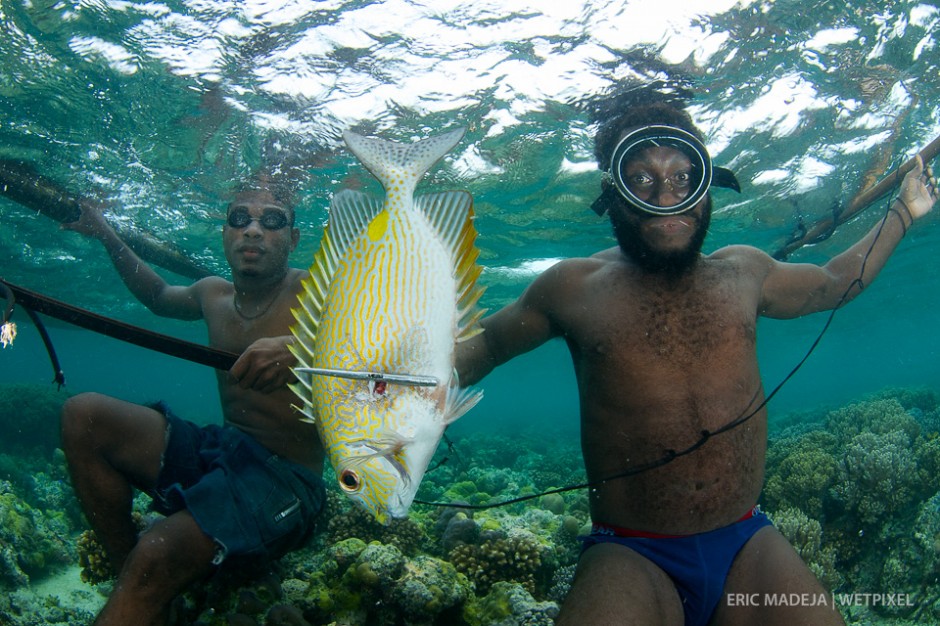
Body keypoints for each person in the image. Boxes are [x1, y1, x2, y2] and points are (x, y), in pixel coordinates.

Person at [456, 102, 938, 626]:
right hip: (631, 554)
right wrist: (375, 384)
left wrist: (904, 211)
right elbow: (478, 353)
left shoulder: (745, 273)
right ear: (613, 190)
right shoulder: (572, 288)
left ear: (708, 183)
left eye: (684, 176)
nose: (667, 197)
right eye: (641, 177)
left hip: (746, 544)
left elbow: (832, 281)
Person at [59, 179, 325, 626]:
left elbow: (389, 340)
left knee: (158, 550)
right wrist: (107, 233)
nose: (253, 230)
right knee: (82, 414)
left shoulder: (319, 293)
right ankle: (143, 590)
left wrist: (304, 348)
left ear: (293, 238)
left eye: (272, 221)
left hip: (289, 481)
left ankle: (146, 584)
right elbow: (159, 297)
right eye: (240, 218)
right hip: (225, 451)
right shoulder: (212, 293)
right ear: (224, 232)